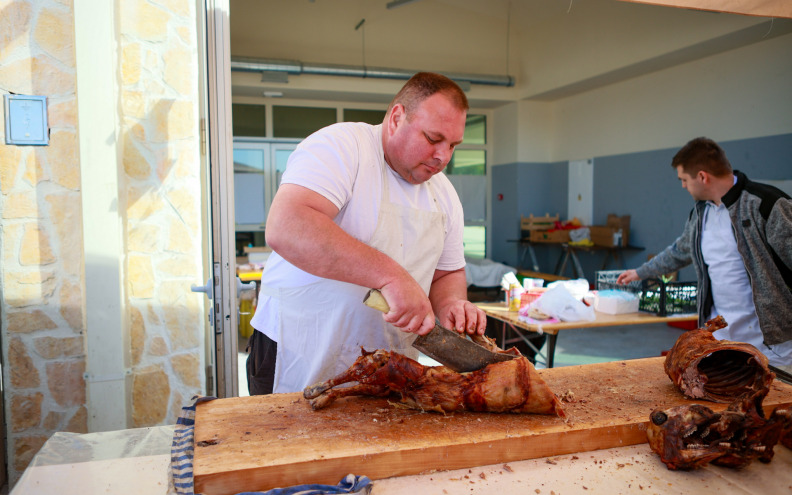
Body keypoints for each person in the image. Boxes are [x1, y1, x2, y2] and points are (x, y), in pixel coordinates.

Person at [247, 72, 488, 394]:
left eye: (453, 145)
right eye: (433, 139)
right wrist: (392, 277)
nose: (442, 156)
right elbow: (287, 225)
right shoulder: (341, 147)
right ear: (397, 118)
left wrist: (453, 304)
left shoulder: (443, 193)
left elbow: (447, 272)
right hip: (298, 347)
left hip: (387, 362)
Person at [617, 137, 792, 372]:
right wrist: (639, 272)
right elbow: (680, 252)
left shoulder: (766, 204)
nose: (682, 186)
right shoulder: (700, 214)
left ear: (702, 176)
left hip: (776, 349)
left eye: (684, 180)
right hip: (721, 344)